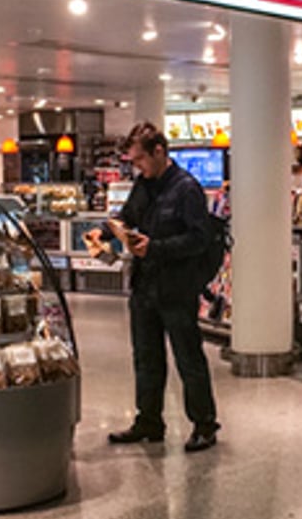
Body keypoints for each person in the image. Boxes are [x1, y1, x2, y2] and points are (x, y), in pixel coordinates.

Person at [88, 122, 220, 452]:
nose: (137, 167)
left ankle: (204, 424)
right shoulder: (143, 184)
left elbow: (199, 238)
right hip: (144, 285)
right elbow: (127, 217)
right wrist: (103, 233)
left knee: (188, 358)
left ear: (159, 152)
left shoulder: (186, 189)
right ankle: (148, 421)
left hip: (176, 288)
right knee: (145, 357)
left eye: (139, 160)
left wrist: (156, 247)